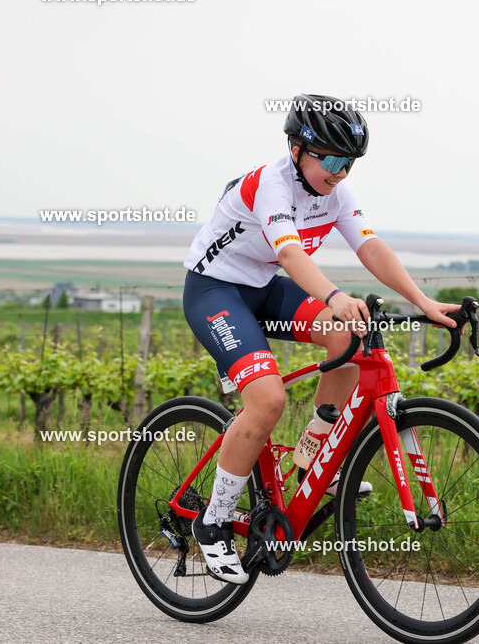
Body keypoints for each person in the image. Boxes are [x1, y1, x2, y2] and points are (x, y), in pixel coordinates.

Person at [182, 93, 460, 584]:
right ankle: (213, 521)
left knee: (350, 342)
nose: (340, 172)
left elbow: (370, 248)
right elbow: (290, 256)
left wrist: (424, 302)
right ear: (297, 149)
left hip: (263, 288)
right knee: (266, 400)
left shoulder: (337, 193)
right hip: (216, 291)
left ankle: (314, 460)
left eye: (349, 163)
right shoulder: (270, 184)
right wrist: (333, 296)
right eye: (330, 159)